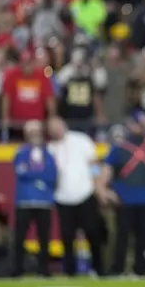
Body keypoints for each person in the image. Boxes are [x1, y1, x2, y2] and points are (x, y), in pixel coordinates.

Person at [95, 112, 145, 276]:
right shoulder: (120, 146)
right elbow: (107, 170)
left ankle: (140, 270)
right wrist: (103, 190)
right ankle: (118, 269)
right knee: (122, 236)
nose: (138, 126)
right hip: (125, 197)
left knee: (142, 237)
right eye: (136, 123)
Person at [47, 117, 105, 276]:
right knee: (67, 236)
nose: (56, 130)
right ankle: (70, 270)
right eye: (52, 128)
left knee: (93, 232)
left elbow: (93, 164)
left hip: (85, 192)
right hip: (62, 197)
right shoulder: (50, 148)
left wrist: (98, 186)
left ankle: (98, 268)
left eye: (58, 126)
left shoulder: (81, 140)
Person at [12, 119, 57, 277]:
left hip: (44, 202)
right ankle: (17, 269)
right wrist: (39, 174)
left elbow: (51, 175)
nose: (35, 135)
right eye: (32, 132)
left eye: (37, 132)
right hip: (24, 201)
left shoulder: (49, 154)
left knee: (44, 238)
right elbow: (20, 172)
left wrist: (33, 173)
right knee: (19, 238)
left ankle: (44, 269)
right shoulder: (21, 153)